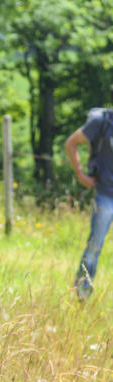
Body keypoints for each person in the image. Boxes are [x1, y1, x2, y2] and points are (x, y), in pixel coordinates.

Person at [65, 99, 113, 299]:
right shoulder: (102, 121)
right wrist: (81, 175)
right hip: (105, 194)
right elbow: (71, 143)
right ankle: (82, 294)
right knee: (94, 246)